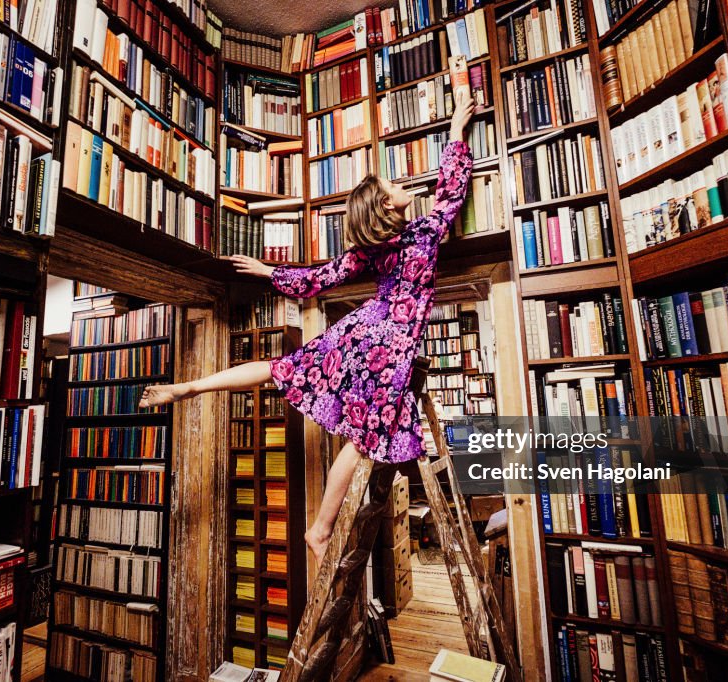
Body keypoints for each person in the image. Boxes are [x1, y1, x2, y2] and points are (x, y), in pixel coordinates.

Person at [139, 91, 476, 562]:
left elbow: (318, 279)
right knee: (360, 443)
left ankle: (191, 388)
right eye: (391, 185)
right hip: (390, 346)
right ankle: (318, 531)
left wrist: (269, 272)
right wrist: (457, 130)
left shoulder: (373, 249)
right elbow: (452, 190)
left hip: (363, 333)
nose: (400, 183)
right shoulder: (425, 232)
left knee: (283, 369)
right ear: (387, 206)